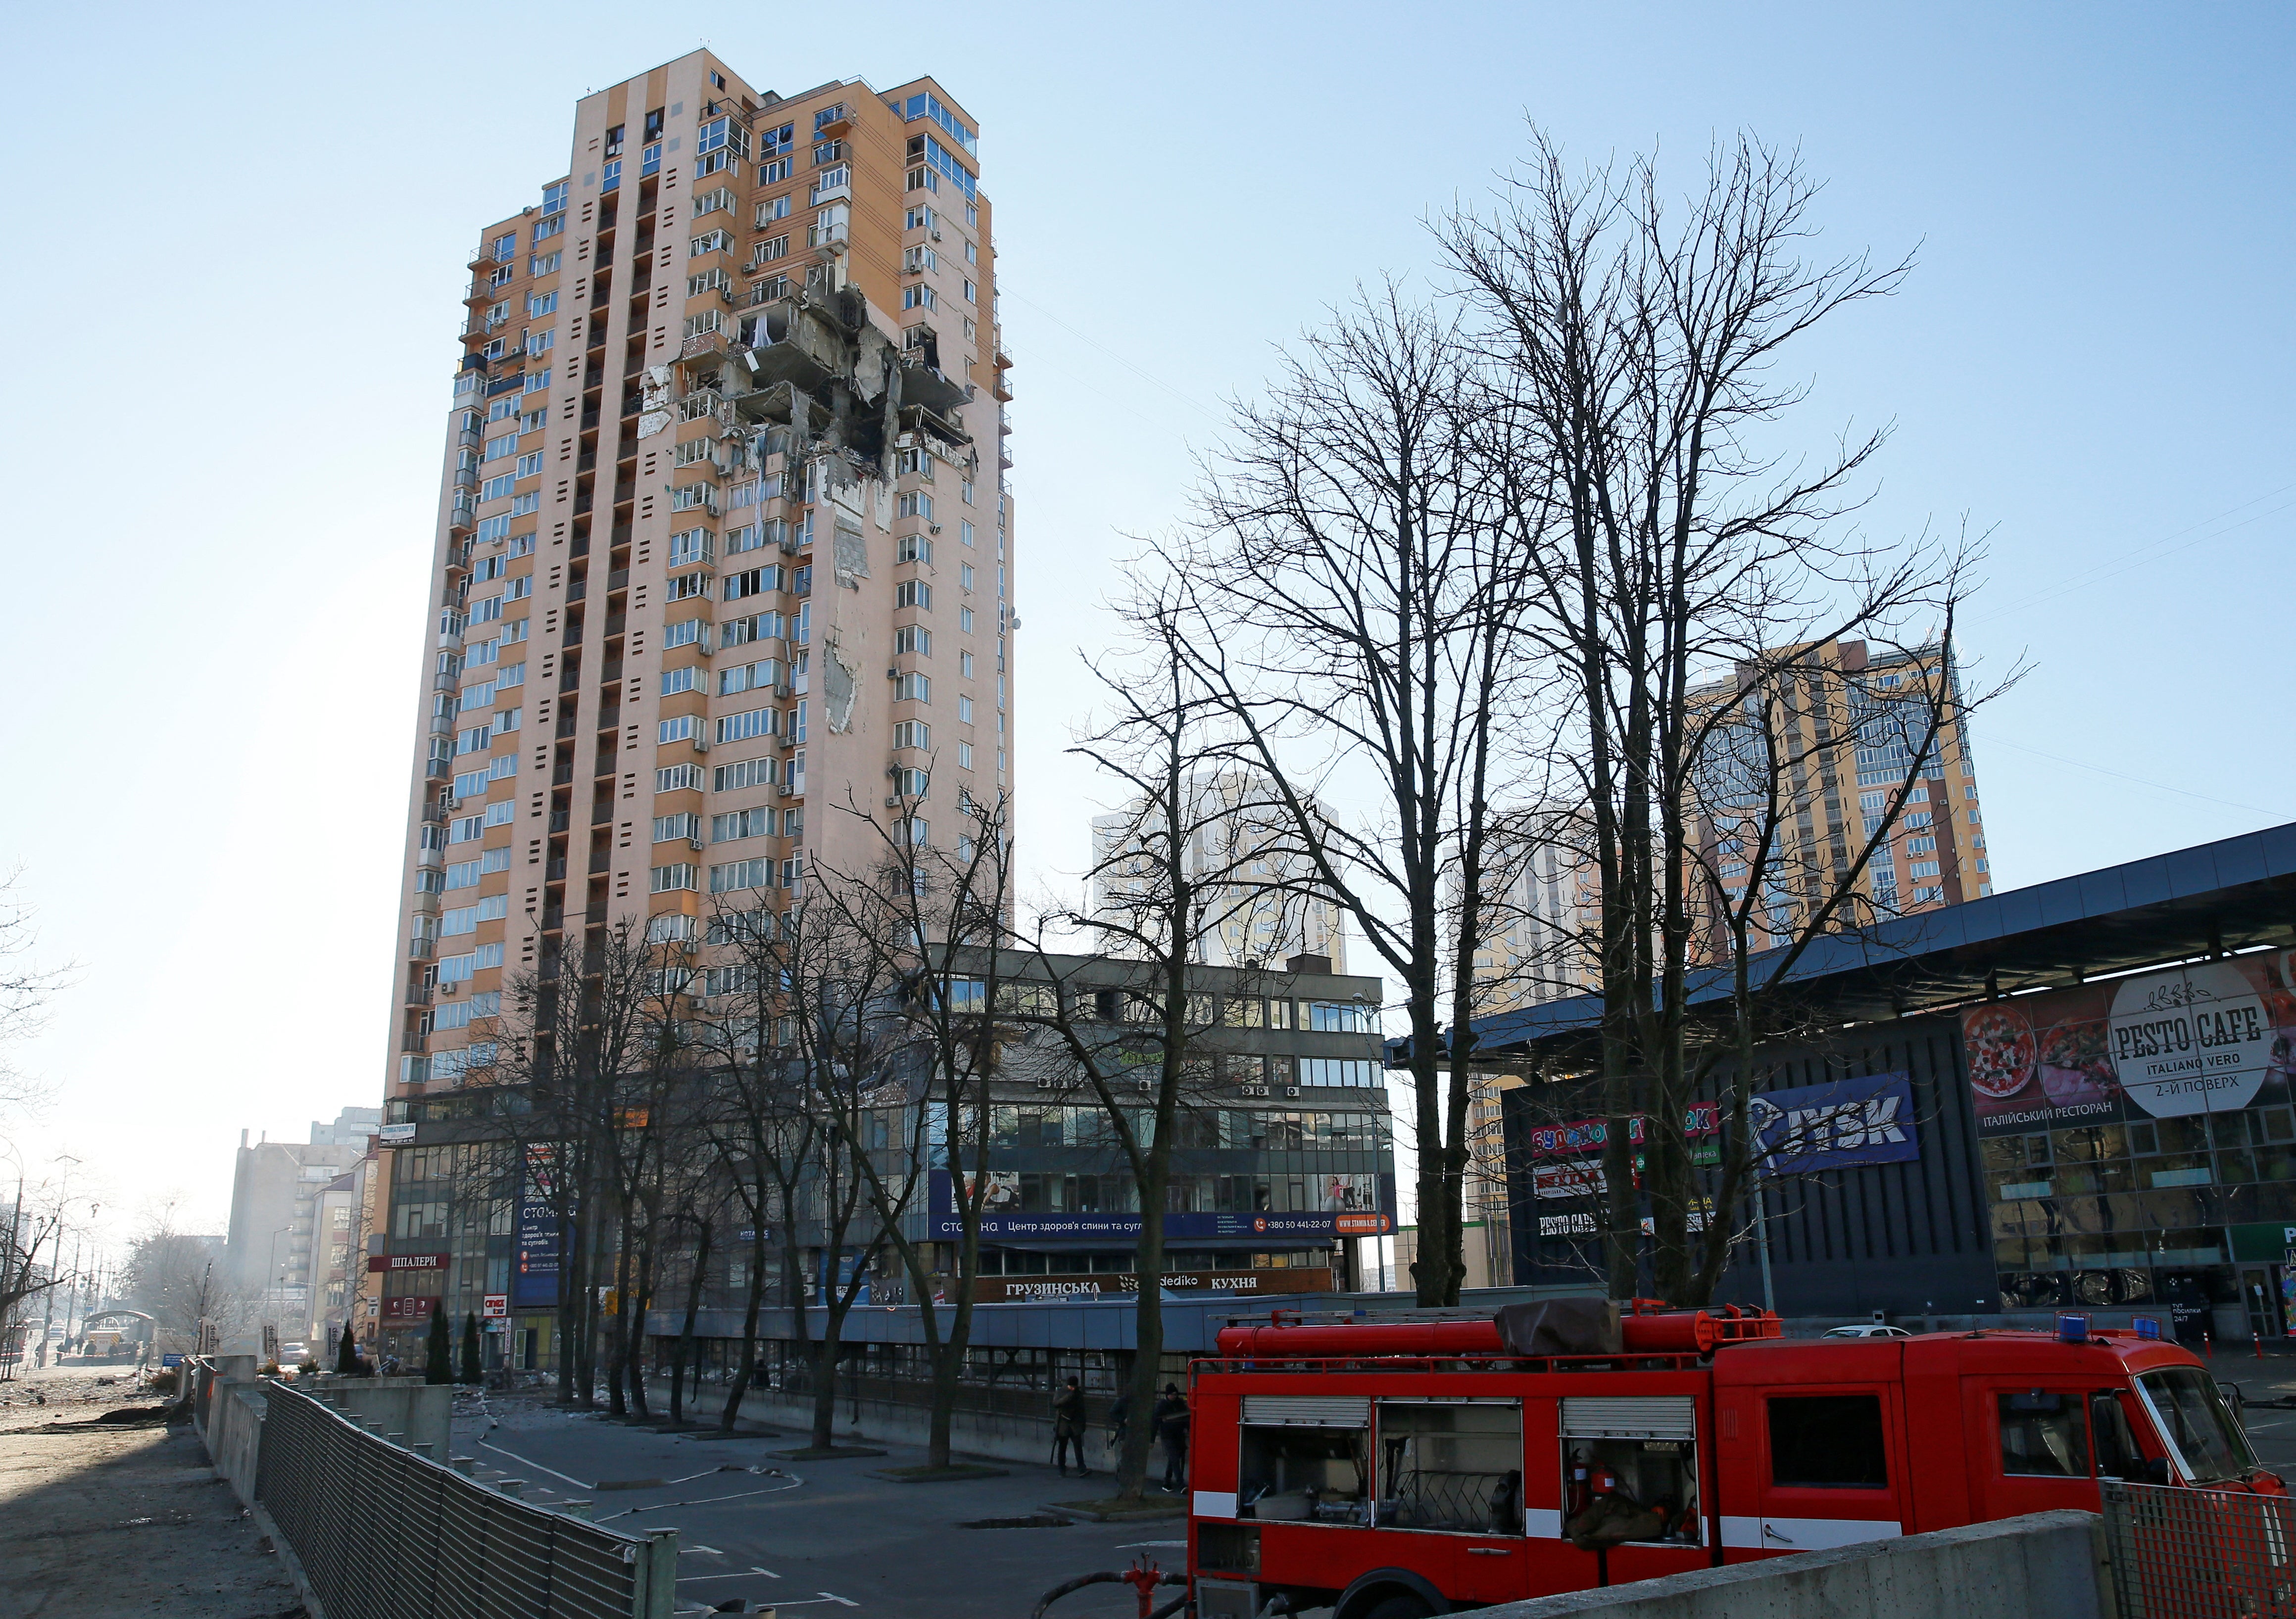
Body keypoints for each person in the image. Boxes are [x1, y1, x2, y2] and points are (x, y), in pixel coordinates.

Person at [1051, 1374, 1089, 1478]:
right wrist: (1068, 1397)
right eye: (1071, 1387)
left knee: (1078, 1447)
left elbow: (1082, 1411)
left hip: (1075, 1424)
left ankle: (1082, 1468)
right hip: (1063, 1424)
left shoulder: (1078, 1394)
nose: (1073, 1389)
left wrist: (1083, 1425)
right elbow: (1056, 1404)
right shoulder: (1061, 1392)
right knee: (1062, 1448)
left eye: (1074, 1387)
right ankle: (1061, 1469)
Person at [1158, 1389, 1191, 1493]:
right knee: (1175, 1459)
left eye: (1176, 1394)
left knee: (1173, 1459)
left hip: (1178, 1435)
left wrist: (1187, 1427)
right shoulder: (1162, 1405)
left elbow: (1186, 1417)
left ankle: (1167, 1482)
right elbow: (1156, 1420)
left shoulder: (1179, 1404)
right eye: (1172, 1395)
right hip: (1167, 1436)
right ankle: (1181, 1484)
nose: (1174, 1396)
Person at [1105, 1390, 1130, 1463]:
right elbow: (1112, 1413)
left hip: (1128, 1432)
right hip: (1125, 1433)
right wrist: (1123, 1420)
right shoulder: (1123, 1401)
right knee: (1123, 1460)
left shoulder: (1124, 1401)